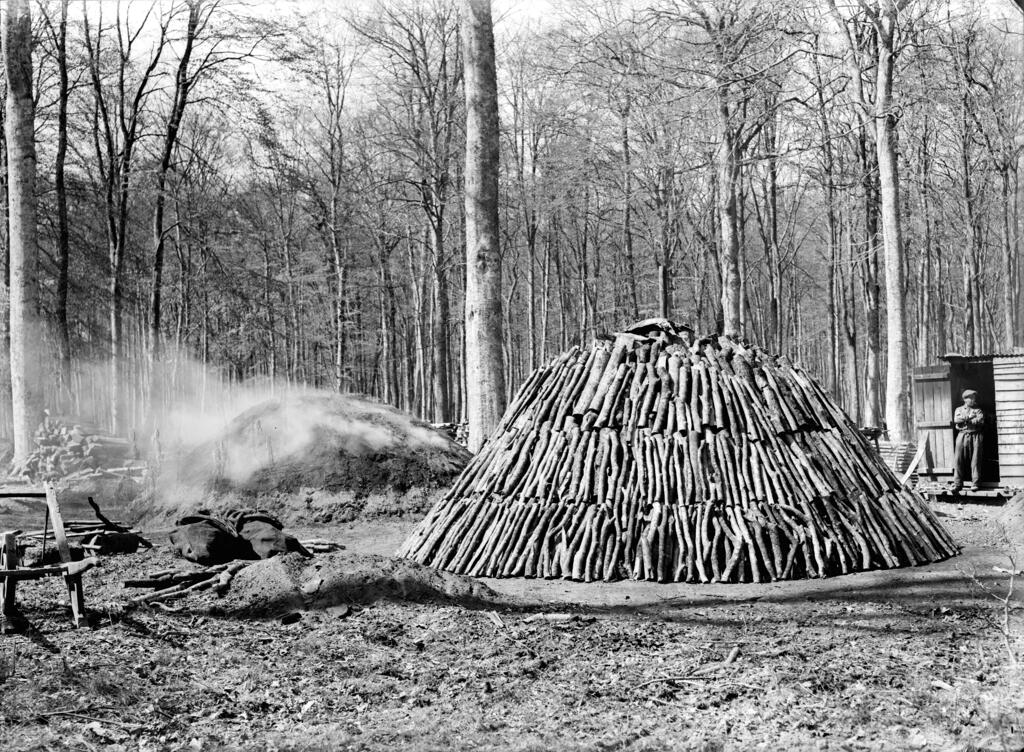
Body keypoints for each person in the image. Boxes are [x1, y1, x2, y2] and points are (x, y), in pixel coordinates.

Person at [953, 389, 984, 492]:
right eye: (971, 398)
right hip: (962, 435)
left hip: (975, 436)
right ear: (965, 399)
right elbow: (956, 420)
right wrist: (969, 418)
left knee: (975, 460)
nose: (973, 400)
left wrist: (965, 420)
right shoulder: (959, 409)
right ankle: (957, 484)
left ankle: (975, 483)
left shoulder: (978, 410)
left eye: (974, 398)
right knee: (958, 459)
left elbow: (980, 421)